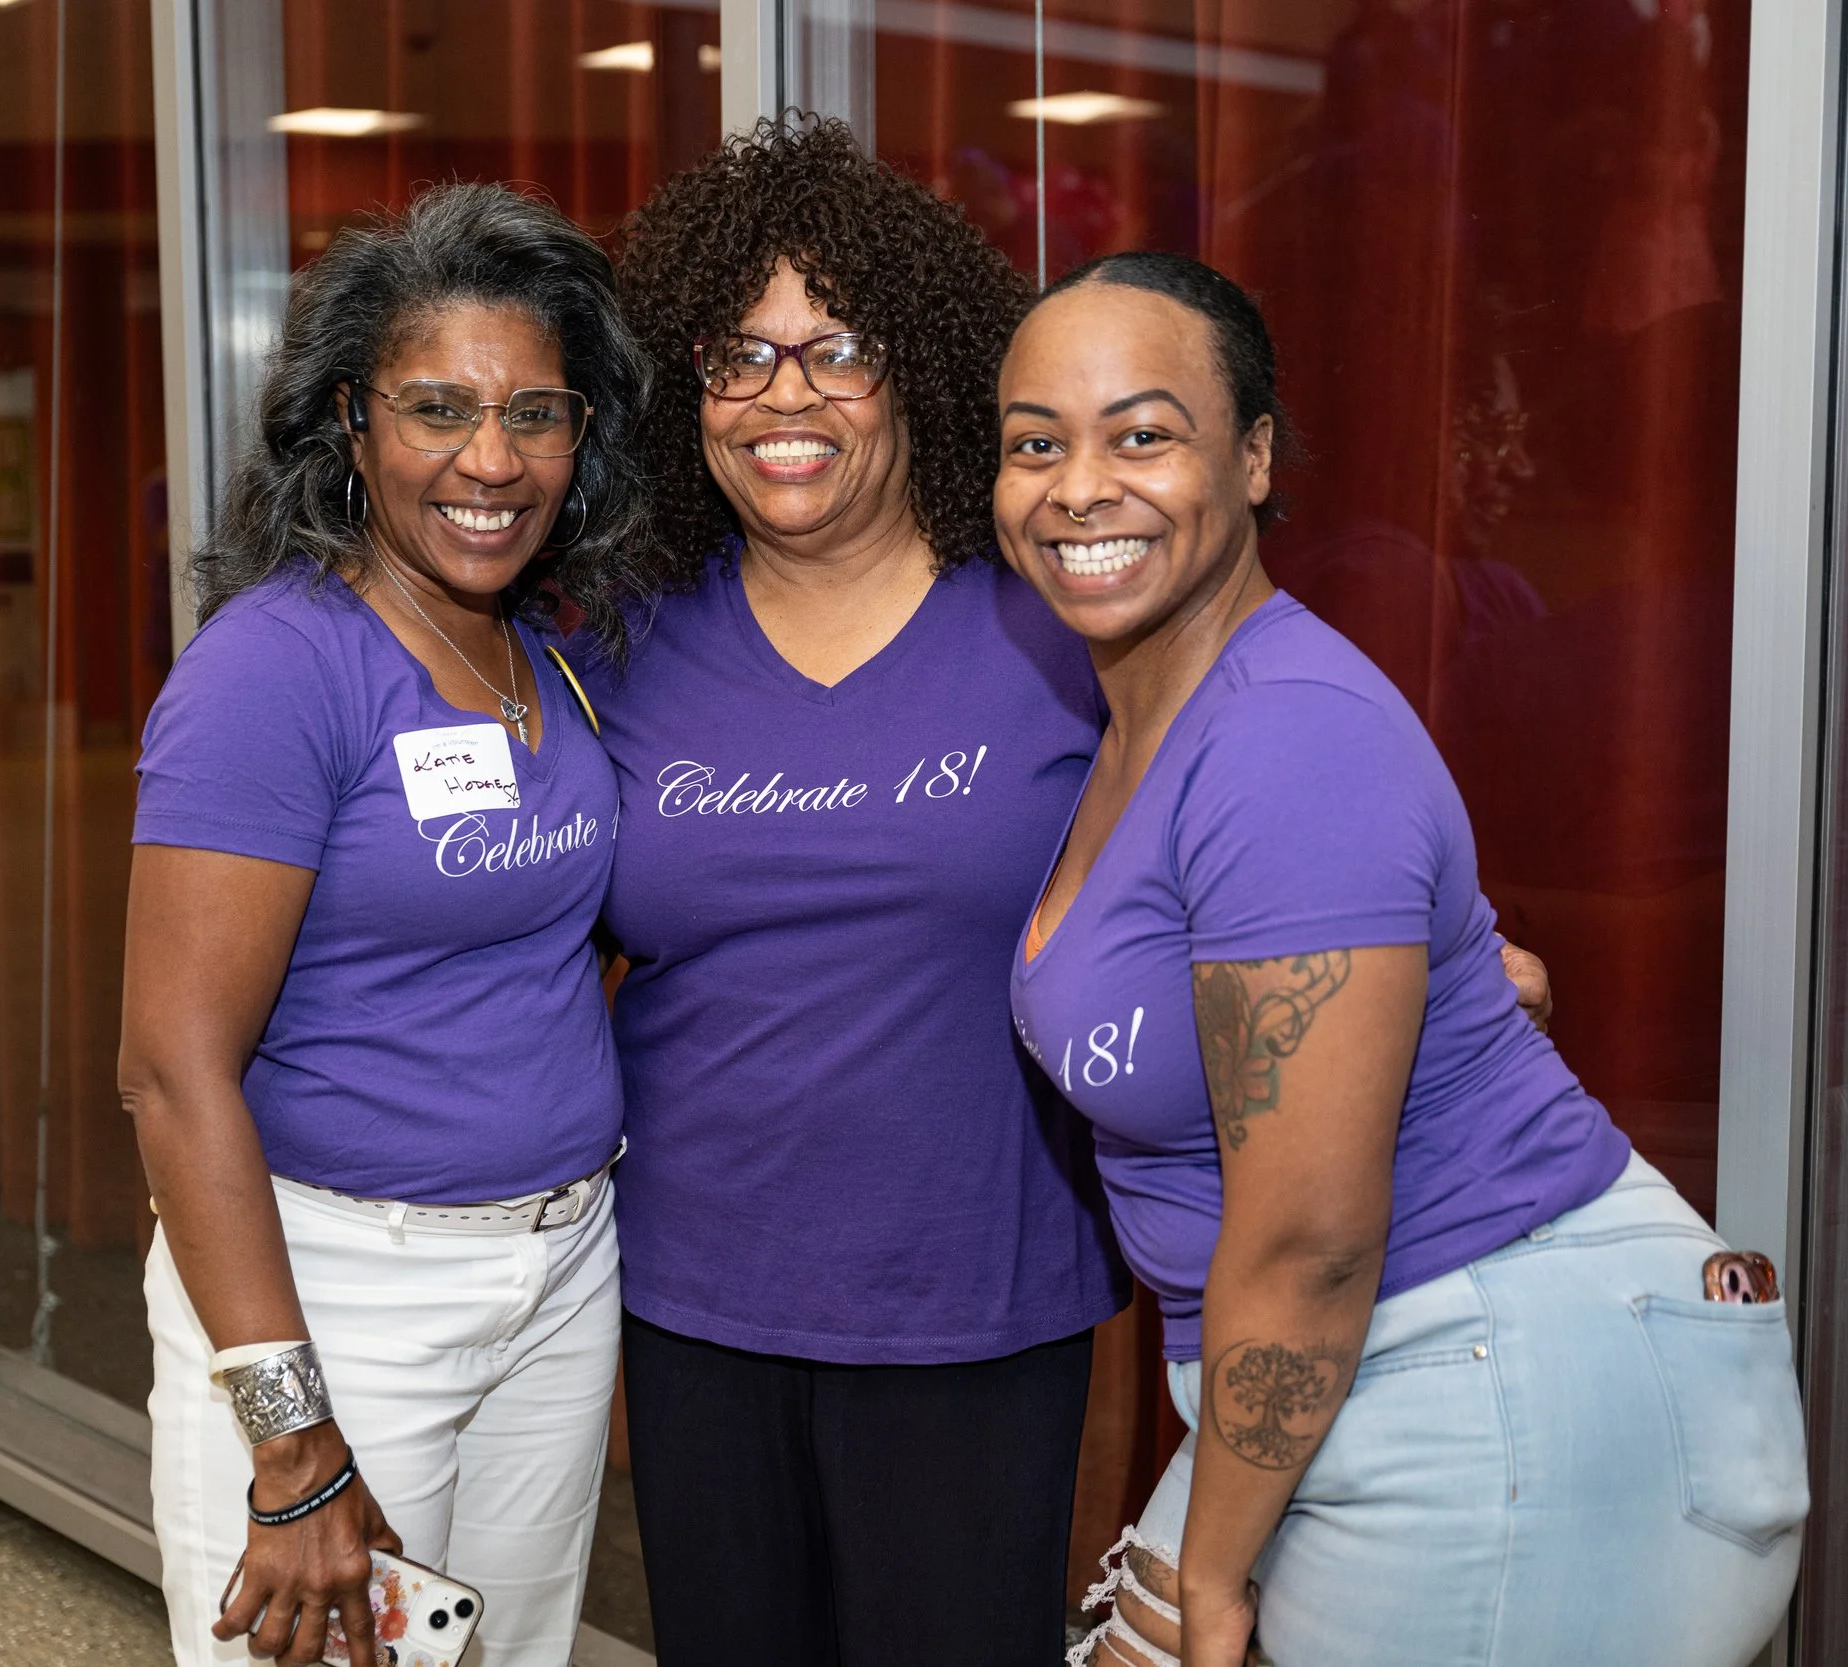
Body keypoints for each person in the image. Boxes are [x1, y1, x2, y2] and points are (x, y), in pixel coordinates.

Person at [582, 116, 1549, 1667]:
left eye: (836, 344)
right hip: (695, 1295)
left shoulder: (1060, 616)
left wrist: (1447, 958)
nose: (785, 395)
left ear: (921, 366)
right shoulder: (625, 647)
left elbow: (1269, 819)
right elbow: (524, 926)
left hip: (985, 1296)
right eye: (737, 352)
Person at [994, 251, 1808, 1667]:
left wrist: (1212, 1572)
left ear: (1252, 456)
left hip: (1500, 1381)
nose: (1078, 486)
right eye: (1034, 443)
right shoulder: (1142, 716)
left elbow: (1311, 1240)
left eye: (1142, 433)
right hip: (1356, 1374)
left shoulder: (1284, 732)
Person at [120, 182, 650, 1667]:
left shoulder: (540, 648)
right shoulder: (274, 668)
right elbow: (169, 1068)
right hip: (338, 1285)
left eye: (537, 413)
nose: (492, 459)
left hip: (555, 1273)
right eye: (438, 407)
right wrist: (292, 1444)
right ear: (351, 424)